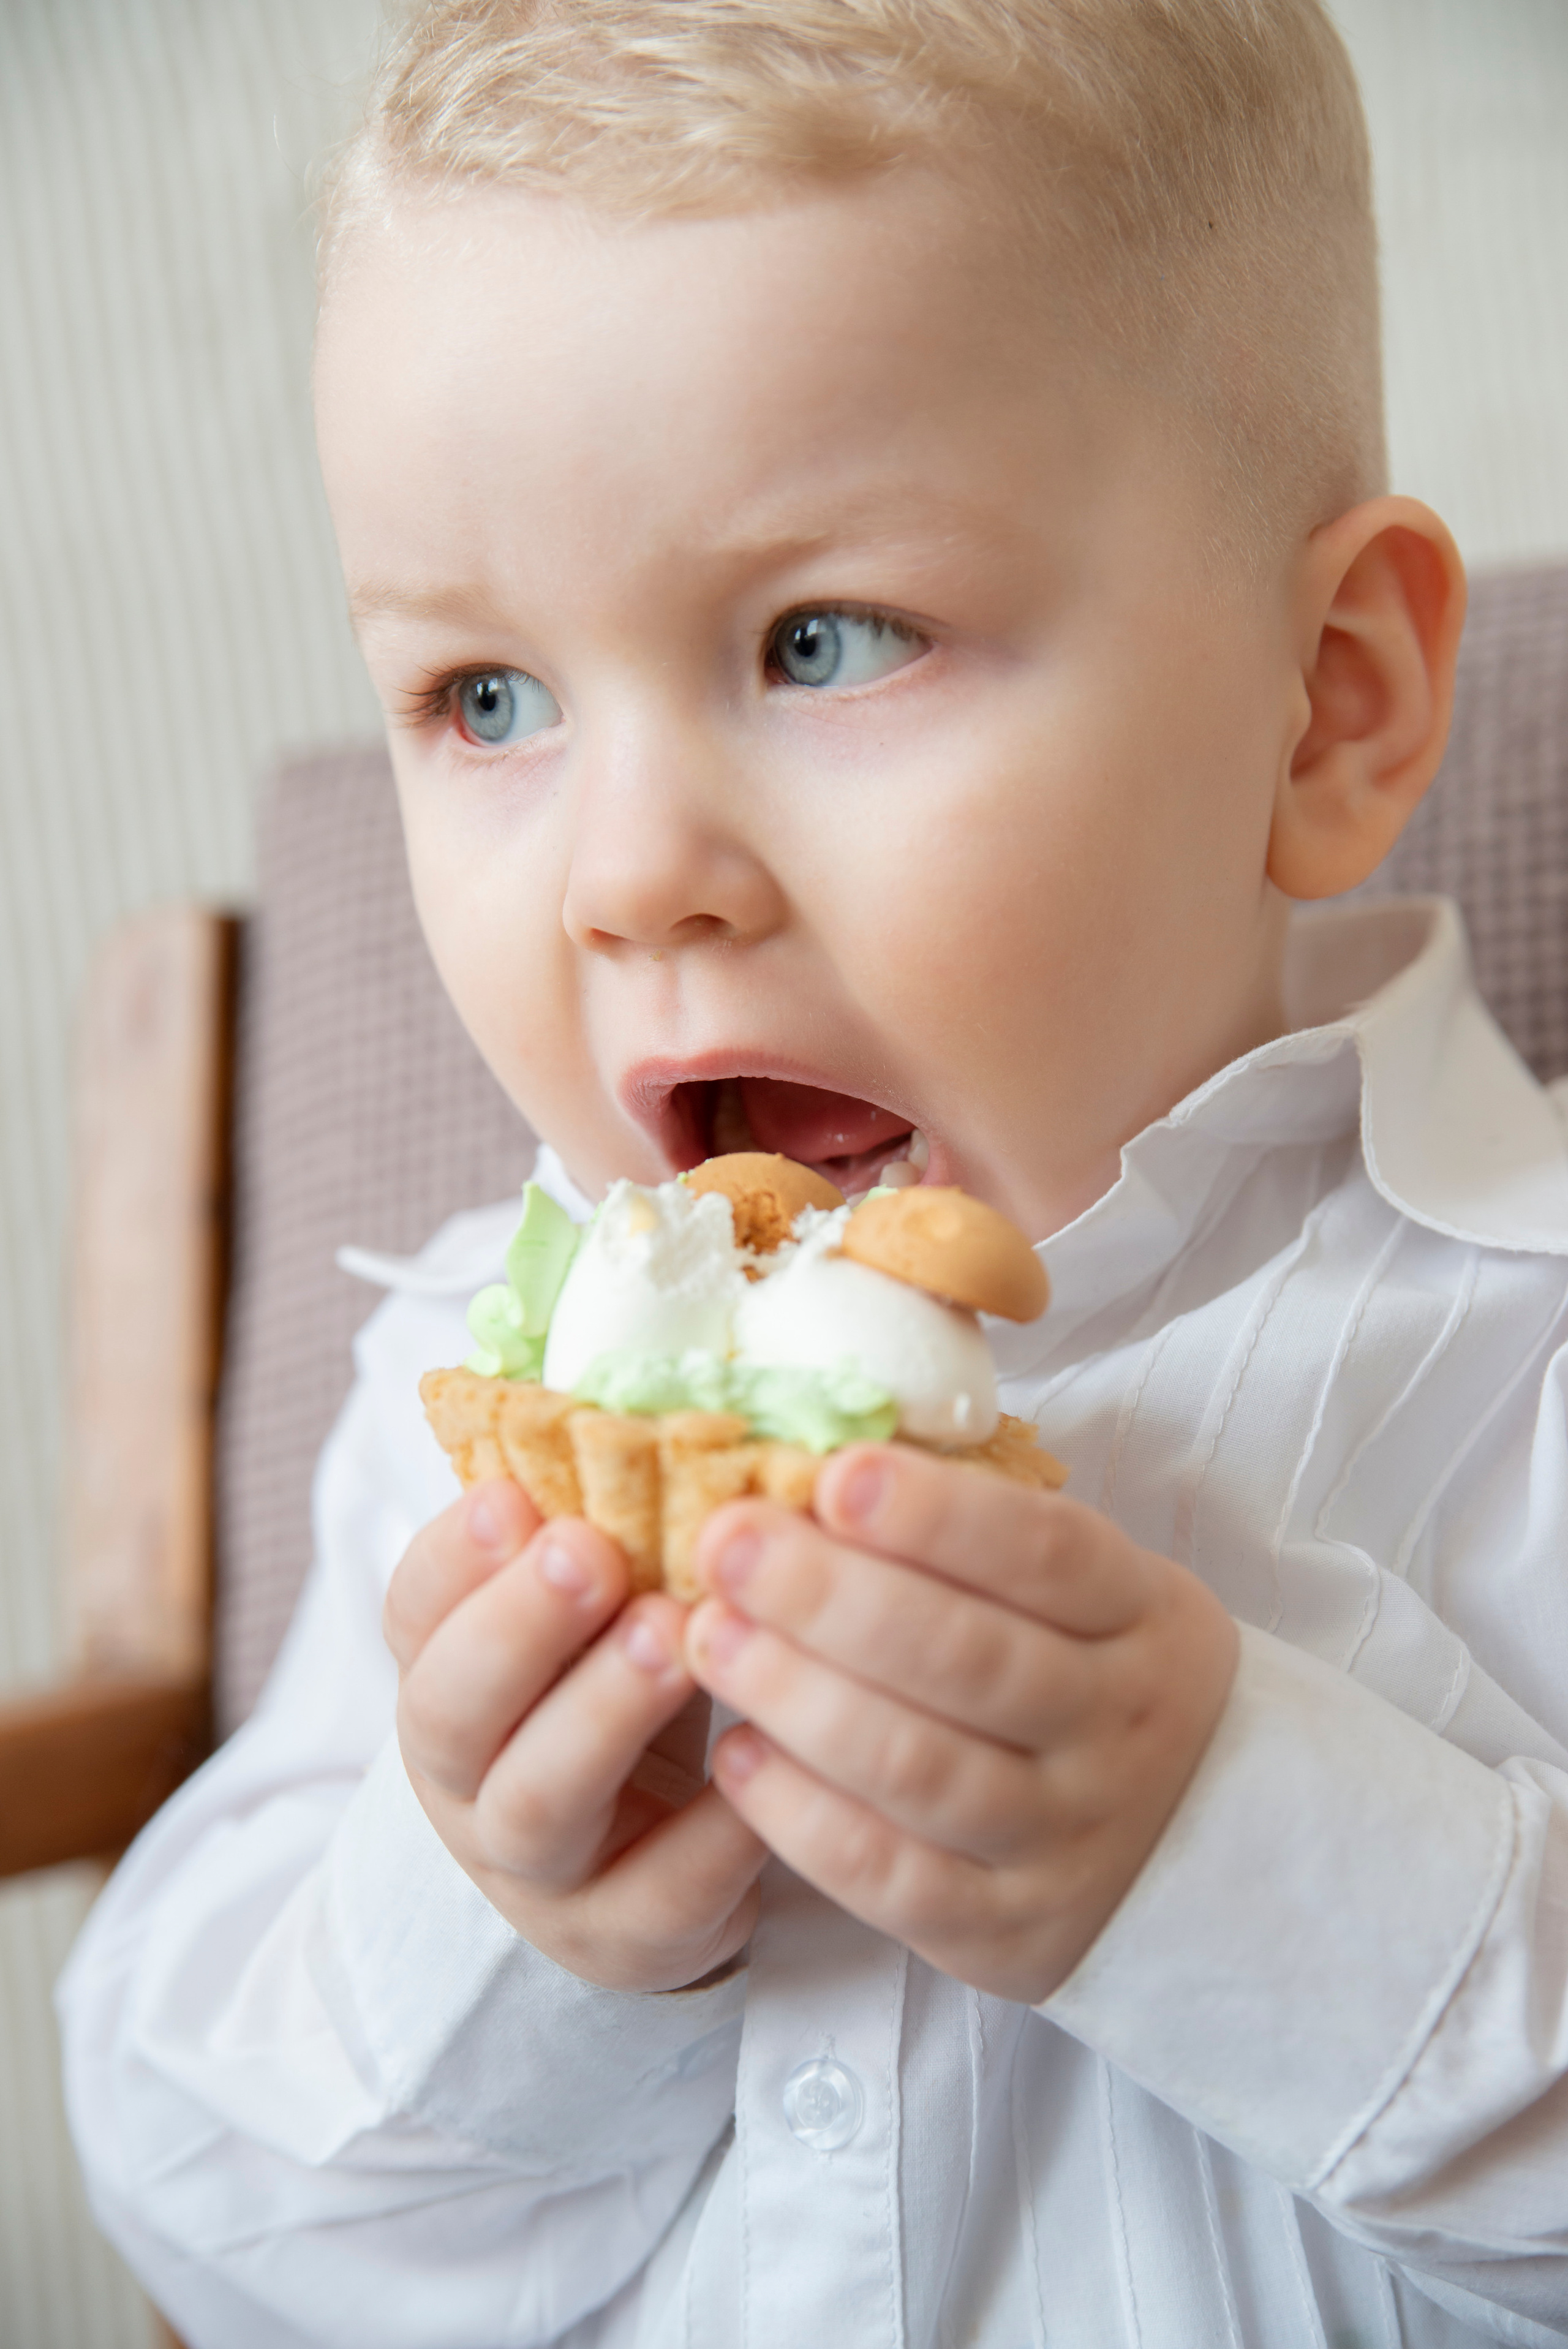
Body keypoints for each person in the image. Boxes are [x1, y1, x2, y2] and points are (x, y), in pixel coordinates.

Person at [58, 2, 1568, 2342]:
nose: (631, 873)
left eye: (824, 637)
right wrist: (508, 1920)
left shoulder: (1525, 1344)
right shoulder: (452, 1394)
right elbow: (204, 2210)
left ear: (1329, 699)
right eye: (485, 701)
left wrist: (1223, 1847)